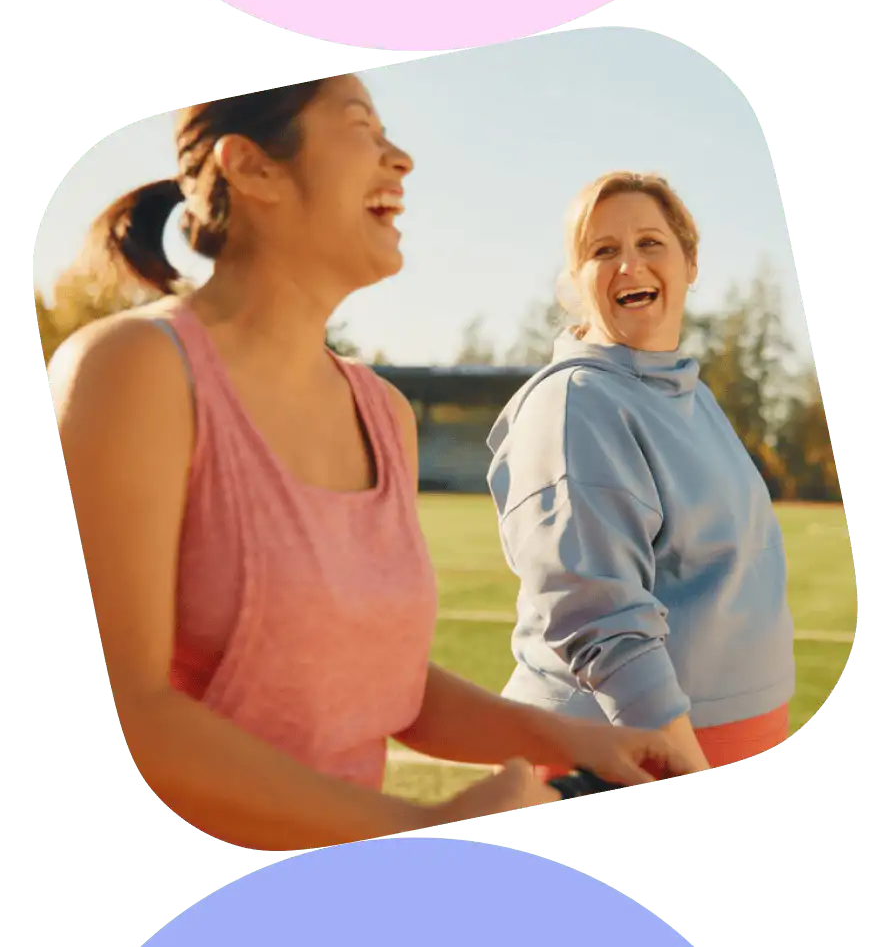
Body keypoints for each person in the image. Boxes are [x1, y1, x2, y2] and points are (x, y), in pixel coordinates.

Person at [46, 82, 696, 853]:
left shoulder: (383, 414)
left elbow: (391, 685)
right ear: (252, 167)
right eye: (361, 127)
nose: (402, 158)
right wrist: (418, 829)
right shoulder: (133, 369)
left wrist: (574, 739)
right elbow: (125, 714)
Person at [487, 171, 796, 780]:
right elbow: (601, 623)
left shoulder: (688, 391)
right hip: (622, 760)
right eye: (602, 250)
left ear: (690, 262)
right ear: (576, 282)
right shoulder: (576, 402)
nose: (629, 265)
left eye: (650, 242)